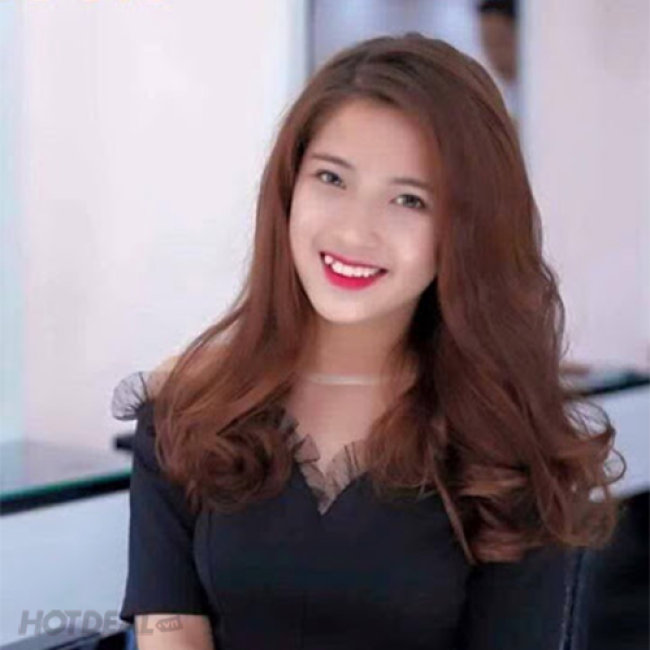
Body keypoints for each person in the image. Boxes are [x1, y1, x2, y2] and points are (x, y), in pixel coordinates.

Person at [112, 32, 625, 650]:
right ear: (289, 188)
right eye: (332, 178)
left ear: (466, 231)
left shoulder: (508, 449)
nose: (356, 230)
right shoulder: (188, 411)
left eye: (409, 199)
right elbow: (169, 633)